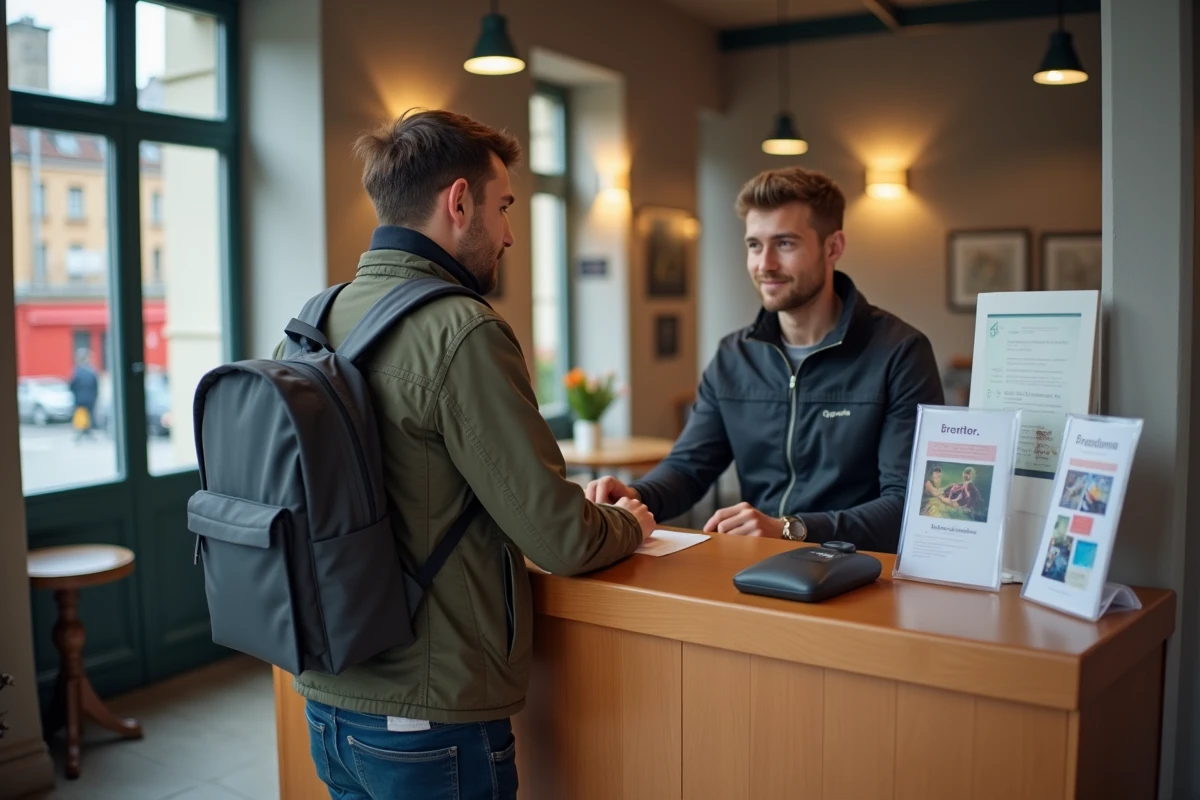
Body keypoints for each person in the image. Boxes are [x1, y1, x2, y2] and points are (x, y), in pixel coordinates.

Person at [281, 109, 654, 800]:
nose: (509, 234)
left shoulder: (312, 322)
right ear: (458, 202)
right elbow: (563, 540)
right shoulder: (461, 329)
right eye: (503, 207)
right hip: (429, 716)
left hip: (328, 701)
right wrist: (630, 523)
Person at [587, 166, 943, 552]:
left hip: (860, 569)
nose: (765, 264)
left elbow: (907, 505)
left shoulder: (899, 353)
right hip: (759, 566)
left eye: (785, 244)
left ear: (833, 247)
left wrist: (791, 528)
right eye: (755, 245)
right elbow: (688, 468)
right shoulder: (734, 357)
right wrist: (636, 495)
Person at [68, 348, 98, 441]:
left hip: (80, 399)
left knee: (81, 415)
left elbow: (72, 386)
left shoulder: (77, 371)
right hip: (90, 399)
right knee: (88, 415)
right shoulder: (92, 371)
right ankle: (86, 431)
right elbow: (96, 386)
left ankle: (82, 431)